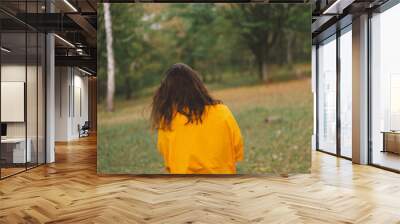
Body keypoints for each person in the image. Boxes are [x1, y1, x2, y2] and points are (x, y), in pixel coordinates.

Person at [150, 63, 244, 174]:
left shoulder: (168, 121)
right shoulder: (222, 112)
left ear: (167, 92)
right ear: (197, 85)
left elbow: (168, 160)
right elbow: (237, 149)